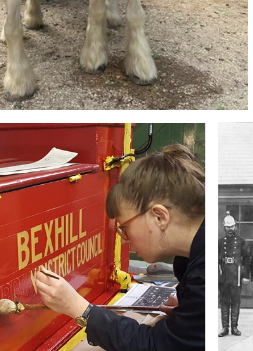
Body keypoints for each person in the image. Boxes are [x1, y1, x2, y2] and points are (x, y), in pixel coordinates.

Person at [35, 144, 205, 351]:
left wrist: (81, 309)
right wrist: (190, 318)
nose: (124, 240)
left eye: (125, 227)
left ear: (159, 217)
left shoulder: (204, 278)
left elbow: (154, 346)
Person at [219, 211, 248, 337]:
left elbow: (247, 259)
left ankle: (234, 327)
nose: (230, 229)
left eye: (232, 226)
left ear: (235, 226)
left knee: (235, 301)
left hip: (236, 275)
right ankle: (225, 328)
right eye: (227, 226)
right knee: (224, 301)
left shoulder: (241, 241)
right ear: (224, 227)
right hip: (223, 275)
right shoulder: (219, 242)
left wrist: (246, 276)